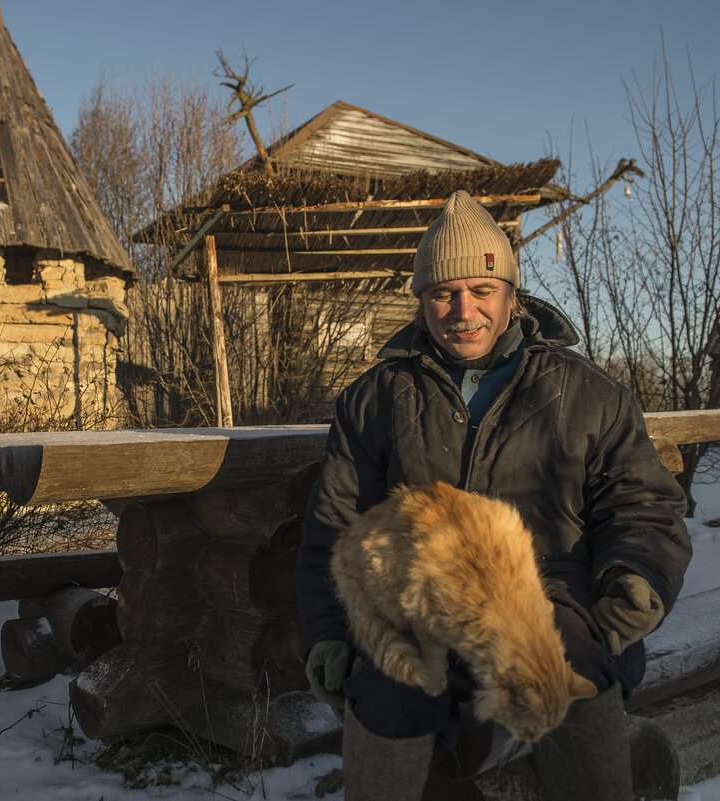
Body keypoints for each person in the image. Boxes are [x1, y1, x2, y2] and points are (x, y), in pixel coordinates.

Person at [295, 190, 692, 801]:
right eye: (443, 293)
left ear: (511, 297)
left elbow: (643, 505)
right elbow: (335, 524)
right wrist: (326, 630)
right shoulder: (374, 400)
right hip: (420, 597)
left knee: (563, 663)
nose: (463, 310)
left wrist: (636, 579)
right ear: (423, 303)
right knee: (384, 689)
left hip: (550, 588)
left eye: (481, 291)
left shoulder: (588, 393)